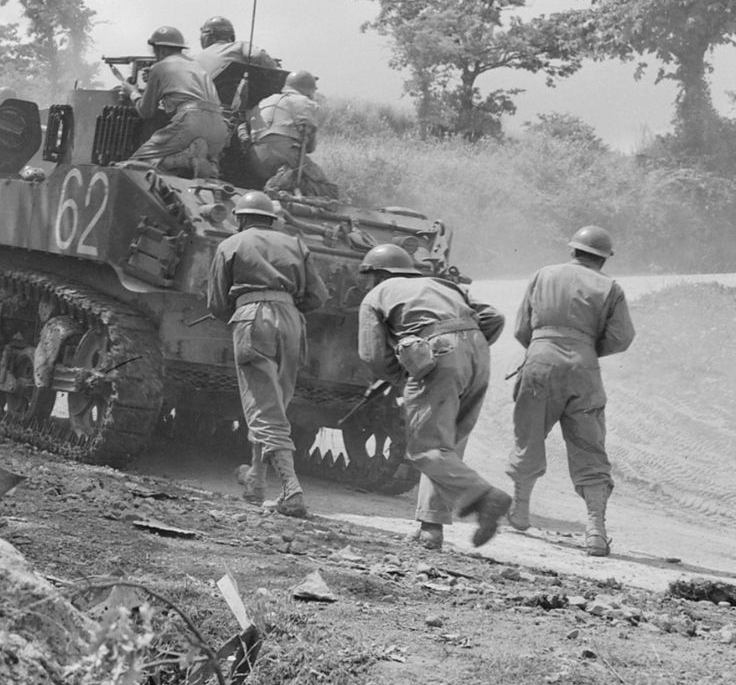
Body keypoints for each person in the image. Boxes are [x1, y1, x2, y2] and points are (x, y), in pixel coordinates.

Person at [356, 243, 512, 550]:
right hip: (477, 352)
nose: (366, 282)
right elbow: (494, 317)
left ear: (379, 274)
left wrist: (405, 375)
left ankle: (486, 497)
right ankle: (431, 529)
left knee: (425, 449)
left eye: (368, 276)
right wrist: (469, 349)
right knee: (446, 447)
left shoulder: (376, 295)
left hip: (436, 353)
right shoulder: (443, 285)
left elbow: (371, 354)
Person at [505, 225, 636, 556]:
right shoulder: (611, 287)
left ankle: (520, 512)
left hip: (539, 362)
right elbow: (622, 337)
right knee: (590, 447)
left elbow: (522, 327)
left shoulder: (542, 275)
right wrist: (585, 348)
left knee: (528, 436)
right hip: (584, 369)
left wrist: (543, 349)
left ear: (572, 250)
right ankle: (595, 531)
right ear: (604, 259)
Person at [207, 190, 329, 517]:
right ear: (272, 219)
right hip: (292, 322)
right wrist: (285, 305)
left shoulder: (230, 245)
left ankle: (291, 490)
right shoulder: (296, 243)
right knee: (274, 404)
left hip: (252, 319)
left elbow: (217, 303)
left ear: (241, 218)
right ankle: (256, 481)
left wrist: (245, 310)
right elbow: (319, 295)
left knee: (263, 408)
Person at [124, 26, 227, 178]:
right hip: (219, 127)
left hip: (191, 122)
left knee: (135, 165)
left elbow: (146, 112)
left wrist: (132, 92)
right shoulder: (198, 67)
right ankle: (209, 165)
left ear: (162, 50)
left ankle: (188, 159)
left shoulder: (160, 67)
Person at [251, 69, 337, 197]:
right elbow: (310, 148)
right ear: (309, 89)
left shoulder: (264, 102)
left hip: (255, 160)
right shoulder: (307, 104)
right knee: (330, 191)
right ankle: (282, 187)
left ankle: (279, 185)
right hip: (285, 160)